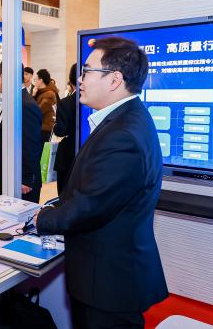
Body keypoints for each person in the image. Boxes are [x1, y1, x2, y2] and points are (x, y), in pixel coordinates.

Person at [35, 37, 168, 328]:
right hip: (107, 275)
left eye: (87, 71)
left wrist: (41, 219)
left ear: (115, 80)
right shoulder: (124, 119)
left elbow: (91, 205)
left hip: (109, 284)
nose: (80, 80)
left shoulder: (122, 134)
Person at [0, 62, 43, 202]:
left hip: (18, 181)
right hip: (4, 175)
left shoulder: (25, 104)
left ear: (4, 77)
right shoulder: (13, 100)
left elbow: (31, 145)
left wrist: (26, 179)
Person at [53, 63, 78, 197]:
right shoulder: (95, 102)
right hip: (85, 155)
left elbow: (60, 131)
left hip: (66, 156)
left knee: (64, 195)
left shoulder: (65, 102)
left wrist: (55, 125)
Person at [34, 68, 59, 142]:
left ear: (41, 80)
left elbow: (38, 111)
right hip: (42, 128)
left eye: (35, 80)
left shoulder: (49, 94)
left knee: (45, 149)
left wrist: (33, 96)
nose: (34, 82)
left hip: (46, 130)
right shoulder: (42, 92)